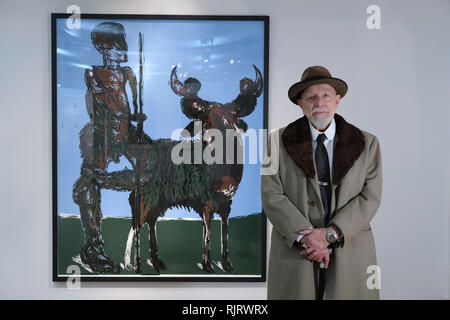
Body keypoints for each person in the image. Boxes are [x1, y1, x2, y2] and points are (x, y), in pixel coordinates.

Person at [261, 66, 382, 299]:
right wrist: (309, 239)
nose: (319, 102)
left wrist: (329, 234)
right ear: (300, 103)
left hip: (350, 250)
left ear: (337, 99)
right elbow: (271, 195)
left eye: (326, 95)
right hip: (297, 251)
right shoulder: (275, 142)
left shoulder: (368, 143)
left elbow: (370, 197)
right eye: (311, 97)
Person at [73, 22, 148, 273]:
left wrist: (134, 120)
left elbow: (131, 105)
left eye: (122, 46)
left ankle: (107, 180)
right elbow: (101, 106)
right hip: (103, 132)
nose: (122, 51)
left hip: (126, 132)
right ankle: (93, 248)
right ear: (105, 49)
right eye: (116, 47)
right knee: (87, 185)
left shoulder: (128, 73)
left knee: (151, 169)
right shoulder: (93, 74)